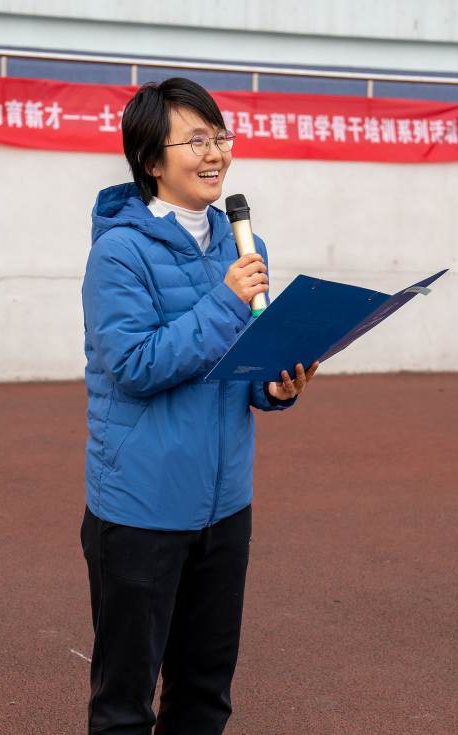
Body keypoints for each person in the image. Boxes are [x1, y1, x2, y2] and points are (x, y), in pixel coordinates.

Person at [79, 77, 318, 734]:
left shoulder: (243, 245)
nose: (215, 153)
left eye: (219, 137)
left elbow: (242, 361)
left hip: (225, 506)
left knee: (204, 694)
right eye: (195, 141)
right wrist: (226, 300)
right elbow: (135, 366)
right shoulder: (118, 253)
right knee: (124, 704)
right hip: (141, 509)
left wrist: (274, 386)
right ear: (151, 160)